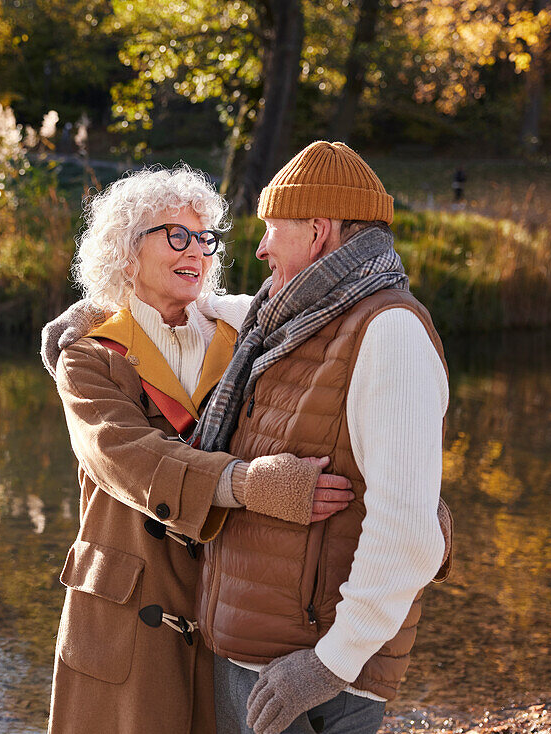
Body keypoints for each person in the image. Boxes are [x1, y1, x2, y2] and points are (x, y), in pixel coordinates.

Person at [42, 164, 355, 734]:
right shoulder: (88, 356)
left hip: (227, 602)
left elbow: (318, 427)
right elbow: (125, 456)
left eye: (205, 238)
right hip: (123, 617)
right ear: (126, 251)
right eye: (176, 235)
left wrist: (396, 500)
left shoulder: (244, 340)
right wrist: (244, 483)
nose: (198, 251)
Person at [190, 141, 451, 734]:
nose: (260, 249)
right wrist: (100, 315)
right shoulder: (291, 320)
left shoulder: (389, 332)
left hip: (315, 679)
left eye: (272, 228)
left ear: (319, 230)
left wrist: (329, 666)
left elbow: (410, 528)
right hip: (261, 660)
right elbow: (206, 308)